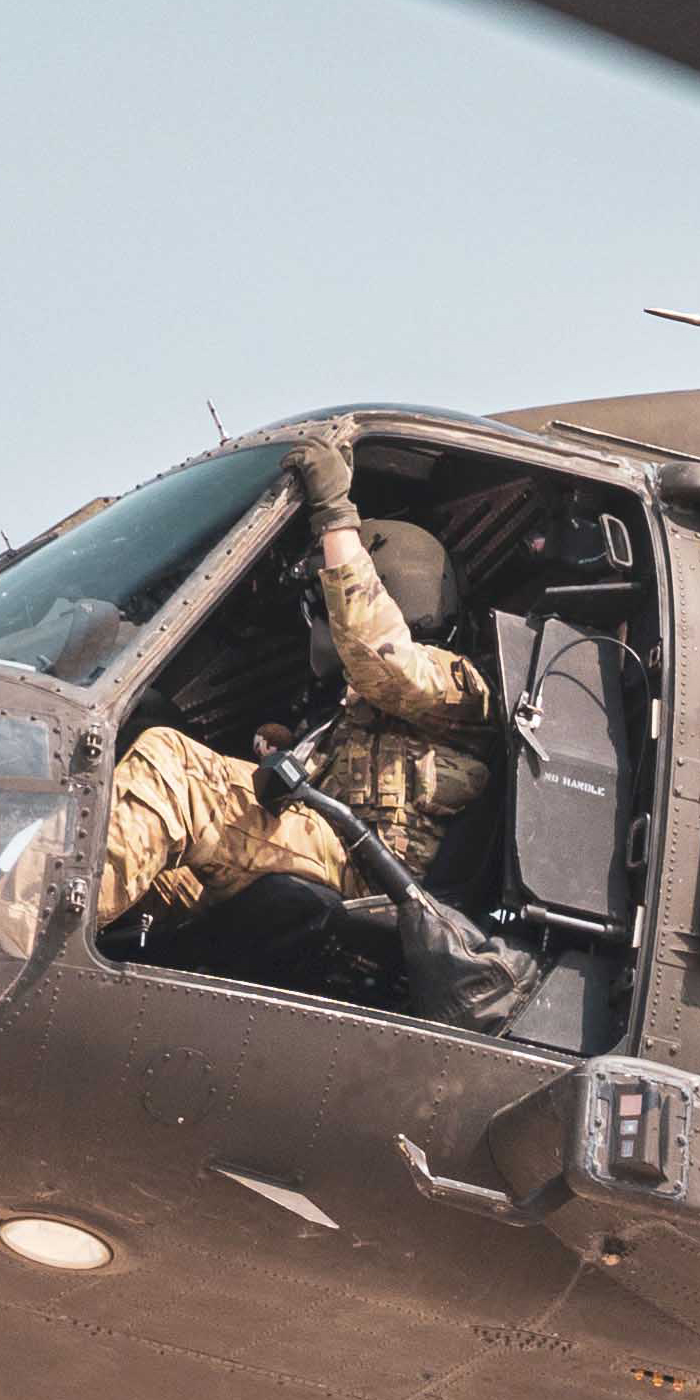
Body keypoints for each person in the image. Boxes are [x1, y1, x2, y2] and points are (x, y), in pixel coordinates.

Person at [94, 424, 528, 1017]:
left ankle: (23, 925)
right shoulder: (345, 718)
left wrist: (334, 515)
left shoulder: (463, 690)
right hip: (334, 860)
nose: (317, 625)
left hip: (375, 883)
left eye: (322, 608)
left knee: (173, 773)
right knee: (150, 870)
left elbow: (378, 656)